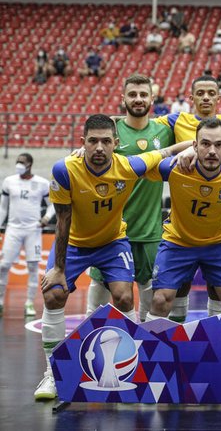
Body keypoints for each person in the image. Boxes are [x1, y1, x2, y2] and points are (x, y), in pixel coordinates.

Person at [35, 114, 187, 400]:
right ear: (82, 143)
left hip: (113, 242)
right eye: (93, 141)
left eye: (106, 141)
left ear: (117, 144)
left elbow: (164, 152)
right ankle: (51, 374)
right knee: (54, 293)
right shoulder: (64, 170)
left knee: (125, 297)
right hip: (75, 244)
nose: (100, 147)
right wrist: (58, 268)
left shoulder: (129, 166)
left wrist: (192, 145)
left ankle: (134, 368)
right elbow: (63, 220)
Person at [85, 75, 176, 322]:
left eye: (143, 95)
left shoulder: (165, 131)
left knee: (148, 298)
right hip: (111, 231)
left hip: (149, 231)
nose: (138, 99)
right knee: (100, 297)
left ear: (152, 99)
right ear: (123, 98)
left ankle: (142, 354)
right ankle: (85, 349)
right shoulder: (110, 132)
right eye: (133, 94)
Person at [145, 118, 221, 321]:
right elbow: (133, 166)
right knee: (161, 300)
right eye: (205, 144)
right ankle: (153, 350)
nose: (212, 151)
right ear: (194, 145)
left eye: (219, 145)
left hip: (217, 243)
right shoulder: (174, 167)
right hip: (178, 241)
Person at [0, 153, 54, 318]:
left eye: (22, 162)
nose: (19, 164)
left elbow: (53, 204)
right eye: (17, 162)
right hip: (13, 230)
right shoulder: (9, 181)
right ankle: (0, 301)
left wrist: (46, 218)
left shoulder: (42, 183)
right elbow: (3, 207)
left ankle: (29, 303)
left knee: (32, 267)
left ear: (30, 164)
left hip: (33, 230)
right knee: (3, 266)